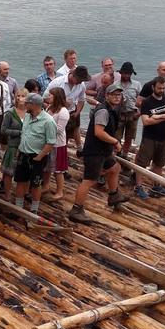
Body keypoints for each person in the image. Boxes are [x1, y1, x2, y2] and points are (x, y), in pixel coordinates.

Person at [69, 83, 129, 224]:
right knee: (89, 180)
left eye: (118, 94)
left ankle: (114, 195)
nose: (116, 97)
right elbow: (99, 132)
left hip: (104, 151)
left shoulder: (112, 109)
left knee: (115, 168)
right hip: (94, 152)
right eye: (113, 94)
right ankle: (76, 210)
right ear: (107, 96)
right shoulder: (103, 111)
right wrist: (115, 142)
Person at [14, 94, 56, 213]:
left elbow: (51, 142)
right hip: (23, 153)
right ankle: (18, 207)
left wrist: (40, 156)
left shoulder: (48, 121)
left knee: (36, 184)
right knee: (20, 181)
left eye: (27, 103)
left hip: (37, 156)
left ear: (33, 105)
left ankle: (34, 209)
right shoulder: (27, 116)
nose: (24, 104)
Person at [134, 76, 165, 199]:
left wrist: (158, 117)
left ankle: (156, 186)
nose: (161, 90)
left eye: (163, 88)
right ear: (153, 87)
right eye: (159, 88)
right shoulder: (147, 102)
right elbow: (146, 122)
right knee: (141, 163)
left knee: (159, 163)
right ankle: (138, 187)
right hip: (149, 137)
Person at [44, 66, 90, 155]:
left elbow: (81, 99)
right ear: (73, 76)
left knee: (75, 129)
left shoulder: (81, 85)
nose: (80, 82)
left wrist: (77, 112)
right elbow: (45, 97)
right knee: (59, 133)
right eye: (79, 80)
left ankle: (78, 148)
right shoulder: (58, 82)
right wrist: (61, 102)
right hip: (57, 112)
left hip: (72, 111)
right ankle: (56, 152)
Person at [41, 87, 70, 201]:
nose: (48, 97)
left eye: (51, 95)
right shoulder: (49, 108)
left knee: (58, 169)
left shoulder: (63, 112)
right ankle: (46, 185)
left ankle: (59, 191)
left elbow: (59, 129)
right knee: (47, 167)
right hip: (48, 142)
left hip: (58, 144)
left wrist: (44, 128)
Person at [0, 88, 28, 200]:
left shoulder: (30, 113)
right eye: (18, 96)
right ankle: (7, 194)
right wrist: (19, 133)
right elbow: (3, 130)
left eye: (22, 96)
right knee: (9, 173)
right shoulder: (10, 113)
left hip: (26, 148)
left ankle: (21, 195)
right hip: (13, 146)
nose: (19, 98)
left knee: (24, 173)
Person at [116, 62, 142, 157]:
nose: (127, 75)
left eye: (129, 73)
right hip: (120, 114)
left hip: (133, 114)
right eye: (125, 73)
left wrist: (139, 112)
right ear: (121, 73)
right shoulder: (116, 84)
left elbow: (142, 100)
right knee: (116, 136)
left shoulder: (137, 84)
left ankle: (125, 154)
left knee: (129, 137)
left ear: (131, 74)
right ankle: (117, 153)